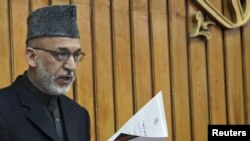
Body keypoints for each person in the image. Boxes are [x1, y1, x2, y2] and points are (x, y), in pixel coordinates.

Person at [0, 5, 90, 141]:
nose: (71, 65)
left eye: (76, 55)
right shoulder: (3, 109)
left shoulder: (79, 115)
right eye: (61, 54)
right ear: (32, 57)